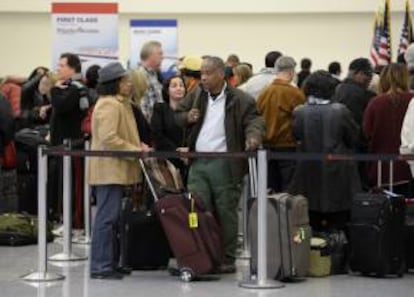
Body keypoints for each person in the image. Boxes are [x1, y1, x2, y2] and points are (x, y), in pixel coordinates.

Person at [175, 56, 264, 273]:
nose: (203, 78)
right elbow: (177, 115)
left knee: (226, 211)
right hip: (198, 163)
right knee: (196, 209)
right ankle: (200, 253)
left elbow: (254, 121)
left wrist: (253, 137)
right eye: (202, 73)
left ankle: (227, 258)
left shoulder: (241, 99)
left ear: (221, 75)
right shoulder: (197, 94)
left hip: (225, 163)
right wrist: (187, 117)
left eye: (208, 73)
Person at [88, 62, 151, 280]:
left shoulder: (120, 103)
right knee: (106, 219)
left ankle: (111, 262)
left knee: (114, 218)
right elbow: (109, 139)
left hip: (117, 169)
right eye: (125, 80)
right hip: (108, 170)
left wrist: (138, 145)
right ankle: (101, 265)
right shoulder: (109, 105)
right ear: (114, 83)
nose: (129, 83)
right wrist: (135, 150)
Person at [289, 70, 361, 230]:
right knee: (339, 223)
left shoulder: (299, 112)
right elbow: (353, 138)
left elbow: (296, 138)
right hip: (338, 174)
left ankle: (308, 251)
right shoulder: (341, 111)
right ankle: (338, 252)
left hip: (308, 173)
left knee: (307, 223)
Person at [257, 56, 305, 192]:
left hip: (266, 146)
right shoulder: (295, 93)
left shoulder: (264, 92)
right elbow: (300, 121)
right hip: (287, 146)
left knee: (270, 187)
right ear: (291, 72)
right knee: (288, 188)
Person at [363, 63, 413, 196]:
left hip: (381, 169)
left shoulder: (375, 102)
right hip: (409, 167)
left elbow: (366, 133)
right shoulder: (411, 100)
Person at [333, 57, 376, 189]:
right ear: (358, 73)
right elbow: (362, 126)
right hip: (357, 148)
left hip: (337, 146)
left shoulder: (336, 88)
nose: (370, 79)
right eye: (368, 75)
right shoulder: (364, 95)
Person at [151, 75, 188, 181]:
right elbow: (157, 134)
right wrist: (177, 152)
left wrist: (188, 150)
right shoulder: (160, 109)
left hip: (187, 158)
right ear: (167, 91)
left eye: (181, 85)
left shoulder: (190, 110)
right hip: (167, 158)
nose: (179, 88)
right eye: (174, 86)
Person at [137, 40, 164, 121]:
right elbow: (143, 107)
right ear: (150, 55)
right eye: (160, 54)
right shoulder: (140, 75)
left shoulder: (154, 74)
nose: (162, 57)